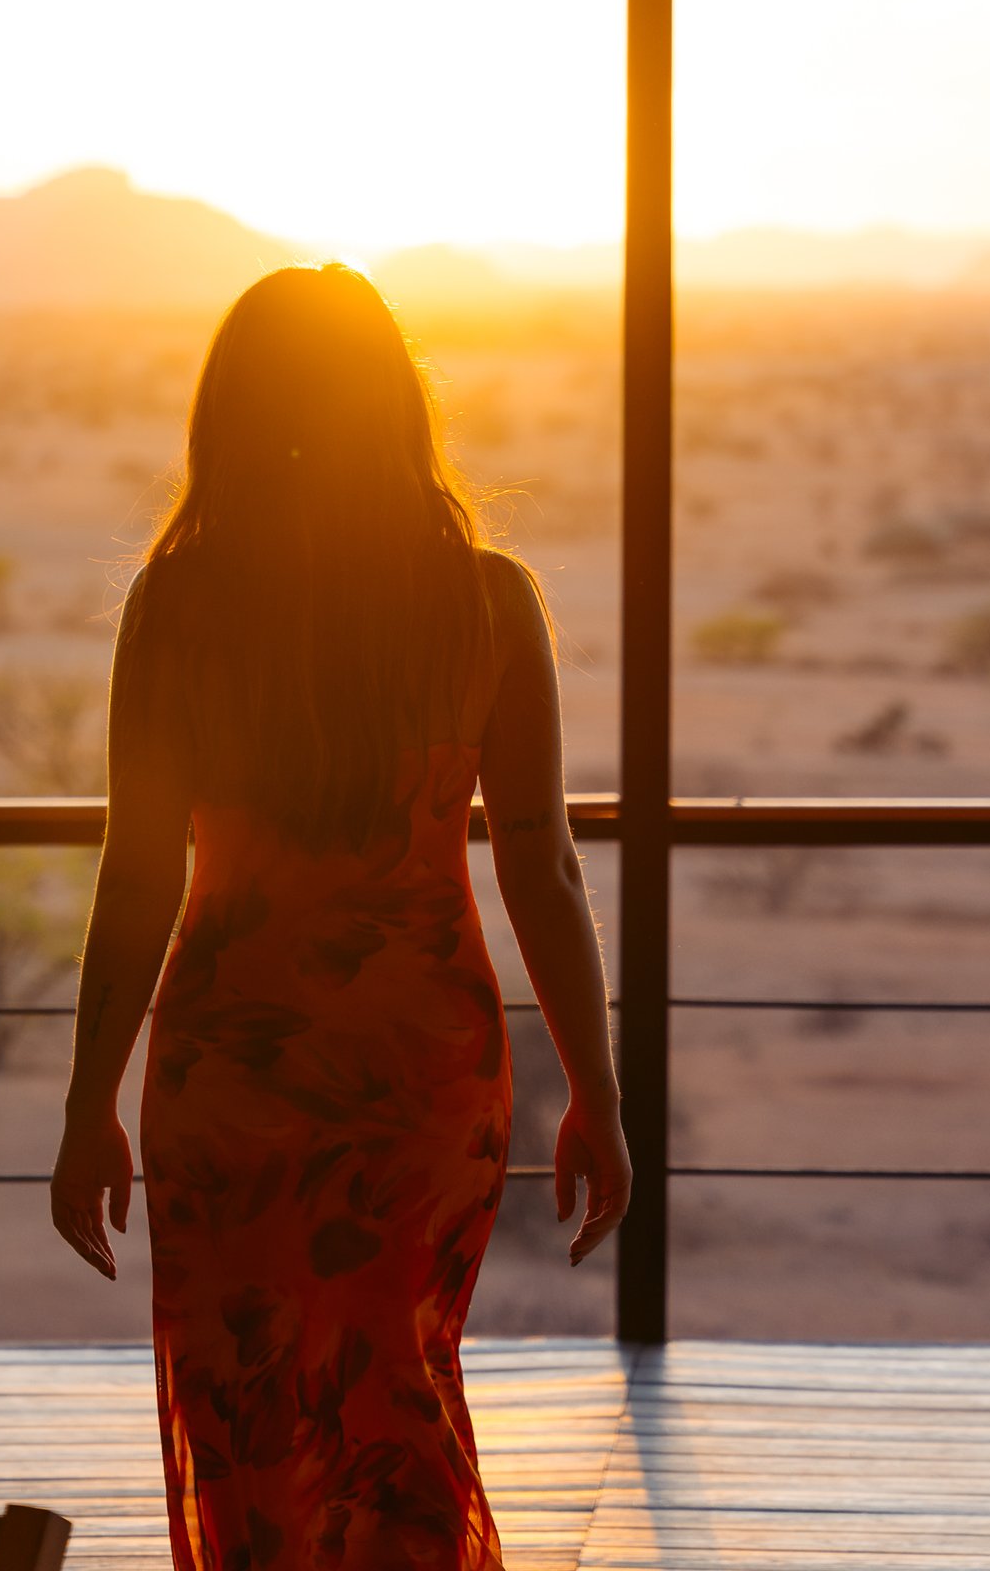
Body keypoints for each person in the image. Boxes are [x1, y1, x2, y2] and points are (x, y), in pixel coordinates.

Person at [50, 264, 628, 1571]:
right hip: (415, 1072)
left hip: (230, 1077)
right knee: (392, 1393)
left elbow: (136, 873)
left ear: (229, 415)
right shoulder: (488, 604)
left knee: (247, 1397)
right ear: (396, 407)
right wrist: (594, 1086)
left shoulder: (178, 608)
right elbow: (542, 866)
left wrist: (90, 1102)